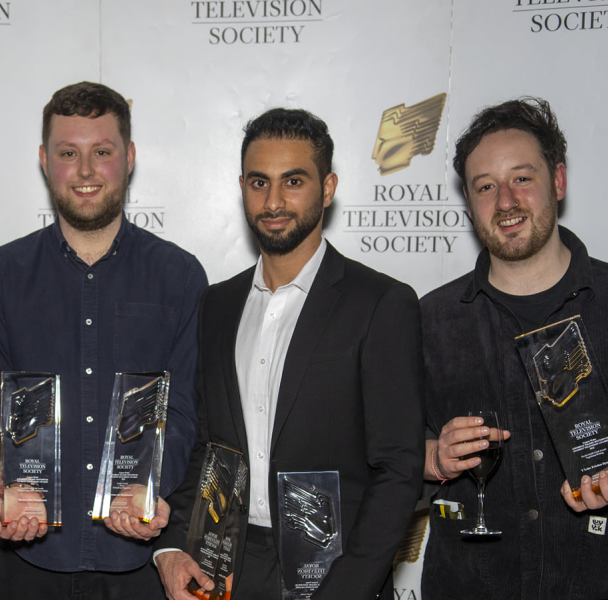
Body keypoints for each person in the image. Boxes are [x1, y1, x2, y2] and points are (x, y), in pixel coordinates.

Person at [420, 97, 608, 599]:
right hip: (473, 586)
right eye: (485, 186)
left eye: (522, 178)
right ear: (469, 202)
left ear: (559, 182)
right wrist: (435, 458)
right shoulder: (428, 321)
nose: (504, 201)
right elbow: (387, 447)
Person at [154, 108, 425, 599]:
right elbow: (206, 446)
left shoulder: (381, 303)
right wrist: (175, 546)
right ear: (242, 187)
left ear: (327, 188)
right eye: (259, 182)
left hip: (338, 573)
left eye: (293, 181)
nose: (273, 201)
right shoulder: (217, 305)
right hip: (227, 571)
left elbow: (399, 469)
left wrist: (348, 588)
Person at [0, 81, 207, 599]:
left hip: (141, 557)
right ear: (43, 159)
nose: (84, 171)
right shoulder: (0, 274)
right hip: (31, 550)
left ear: (129, 158)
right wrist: (17, 481)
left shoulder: (180, 276)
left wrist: (149, 486)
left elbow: (186, 408)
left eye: (102, 152)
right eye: (68, 153)